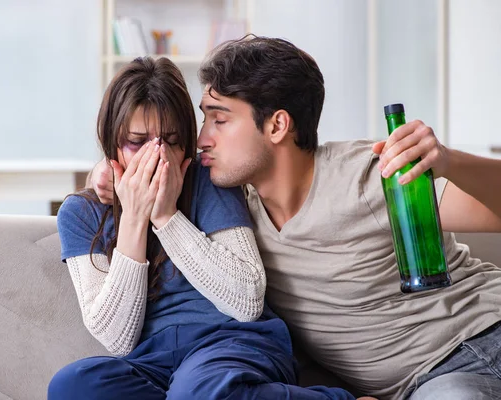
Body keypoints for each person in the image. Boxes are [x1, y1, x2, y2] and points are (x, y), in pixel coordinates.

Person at [90, 36, 501, 400]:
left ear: (277, 125)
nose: (202, 139)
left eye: (219, 119)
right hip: (407, 385)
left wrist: (449, 161)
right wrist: (105, 175)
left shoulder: (365, 176)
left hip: (475, 344)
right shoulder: (229, 205)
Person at [48, 56, 363, 400]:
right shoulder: (81, 213)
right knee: (73, 386)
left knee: (198, 389)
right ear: (113, 142)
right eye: (138, 141)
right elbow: (117, 338)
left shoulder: (207, 180)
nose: (158, 157)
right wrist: (135, 219)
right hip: (153, 362)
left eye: (171, 139)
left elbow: (246, 301)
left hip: (231, 343)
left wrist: (167, 217)